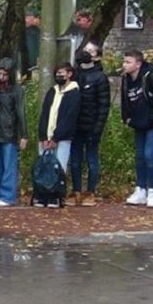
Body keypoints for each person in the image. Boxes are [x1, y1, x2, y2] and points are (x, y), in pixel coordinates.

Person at [120, 49, 153, 209]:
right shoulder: (126, 79)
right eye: (124, 61)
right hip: (138, 123)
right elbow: (125, 99)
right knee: (139, 156)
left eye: (128, 62)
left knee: (149, 155)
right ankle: (140, 189)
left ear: (138, 64)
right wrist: (126, 117)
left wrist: (151, 119)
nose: (124, 65)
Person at [0, 58, 28, 207]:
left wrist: (24, 134)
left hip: (9, 132)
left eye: (5, 74)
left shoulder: (16, 90)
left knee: (9, 166)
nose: (2, 77)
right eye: (0, 74)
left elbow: (21, 112)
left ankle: (8, 196)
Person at [36, 63, 82, 206]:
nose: (58, 76)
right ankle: (43, 195)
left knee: (59, 168)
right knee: (44, 167)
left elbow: (69, 117)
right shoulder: (52, 91)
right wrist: (44, 136)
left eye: (61, 73)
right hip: (46, 136)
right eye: (56, 73)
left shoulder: (74, 93)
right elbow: (45, 114)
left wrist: (56, 137)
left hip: (63, 138)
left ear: (69, 74)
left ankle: (56, 196)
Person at [70, 42, 110, 206]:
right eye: (85, 50)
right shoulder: (75, 75)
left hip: (92, 126)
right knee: (74, 160)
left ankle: (90, 192)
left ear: (97, 57)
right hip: (75, 126)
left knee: (91, 159)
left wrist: (98, 128)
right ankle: (76, 191)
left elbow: (104, 105)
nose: (86, 53)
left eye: (91, 51)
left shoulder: (100, 77)